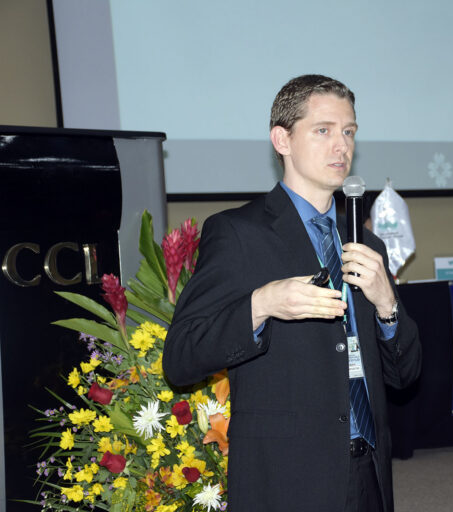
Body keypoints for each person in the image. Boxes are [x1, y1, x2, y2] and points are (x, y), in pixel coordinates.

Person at [163, 74, 421, 512]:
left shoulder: (366, 246)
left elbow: (405, 376)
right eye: (323, 131)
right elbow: (181, 357)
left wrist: (387, 306)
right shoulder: (238, 233)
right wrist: (261, 305)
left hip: (369, 476)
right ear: (281, 139)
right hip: (288, 479)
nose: (342, 146)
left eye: (349, 132)